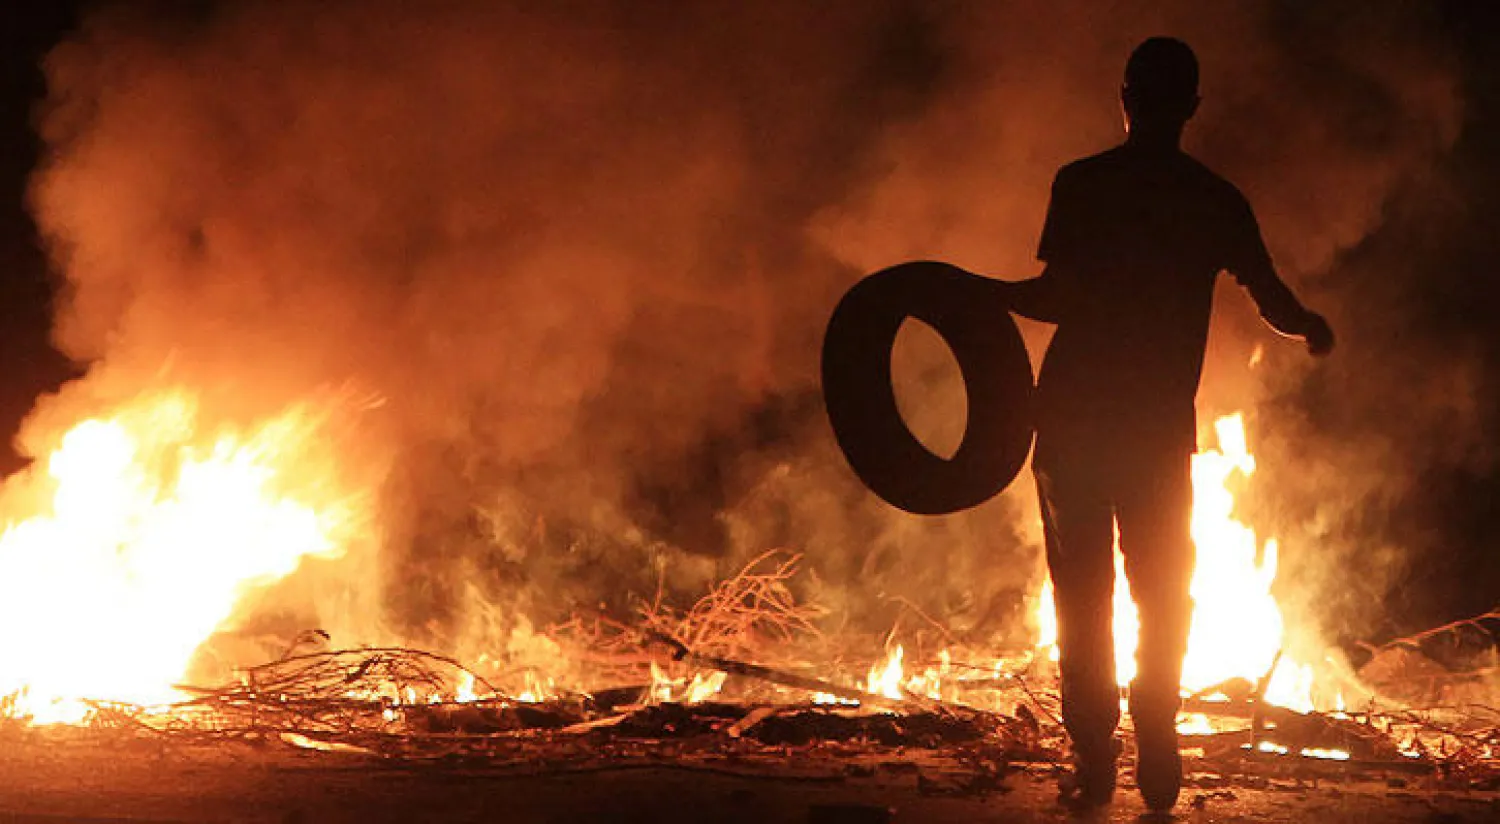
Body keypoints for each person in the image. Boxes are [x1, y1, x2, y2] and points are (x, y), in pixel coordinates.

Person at [1002, 37, 1334, 812]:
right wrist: (1311, 326)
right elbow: (1274, 299)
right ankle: (1157, 736)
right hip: (1153, 430)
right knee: (1161, 590)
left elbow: (1057, 297)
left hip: (1076, 420)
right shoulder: (1214, 199)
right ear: (1192, 107)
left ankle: (1094, 754)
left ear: (1123, 97)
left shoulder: (1082, 184)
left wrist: (978, 295)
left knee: (1081, 594)